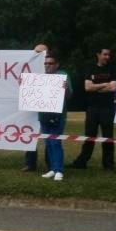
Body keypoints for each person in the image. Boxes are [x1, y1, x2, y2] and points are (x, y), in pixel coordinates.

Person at [71, 48, 116, 170]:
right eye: (105, 54)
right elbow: (87, 87)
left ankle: (108, 164)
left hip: (107, 108)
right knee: (89, 136)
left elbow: (113, 88)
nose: (107, 57)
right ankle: (82, 162)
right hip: (92, 108)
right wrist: (103, 85)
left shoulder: (113, 69)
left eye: (109, 54)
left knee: (108, 137)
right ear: (98, 55)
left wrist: (95, 86)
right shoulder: (90, 68)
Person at [38, 52, 72, 181]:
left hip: (58, 115)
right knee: (48, 143)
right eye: (45, 63)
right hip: (43, 115)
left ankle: (59, 170)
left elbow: (69, 95)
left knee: (55, 142)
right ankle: (53, 169)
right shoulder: (39, 77)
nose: (47, 66)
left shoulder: (62, 75)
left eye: (50, 63)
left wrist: (65, 89)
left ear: (57, 65)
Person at [23, 43, 51, 172]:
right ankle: (30, 163)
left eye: (41, 52)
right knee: (30, 134)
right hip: (31, 108)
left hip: (48, 110)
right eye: (36, 52)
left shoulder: (51, 69)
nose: (38, 55)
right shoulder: (29, 67)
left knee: (50, 137)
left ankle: (50, 163)